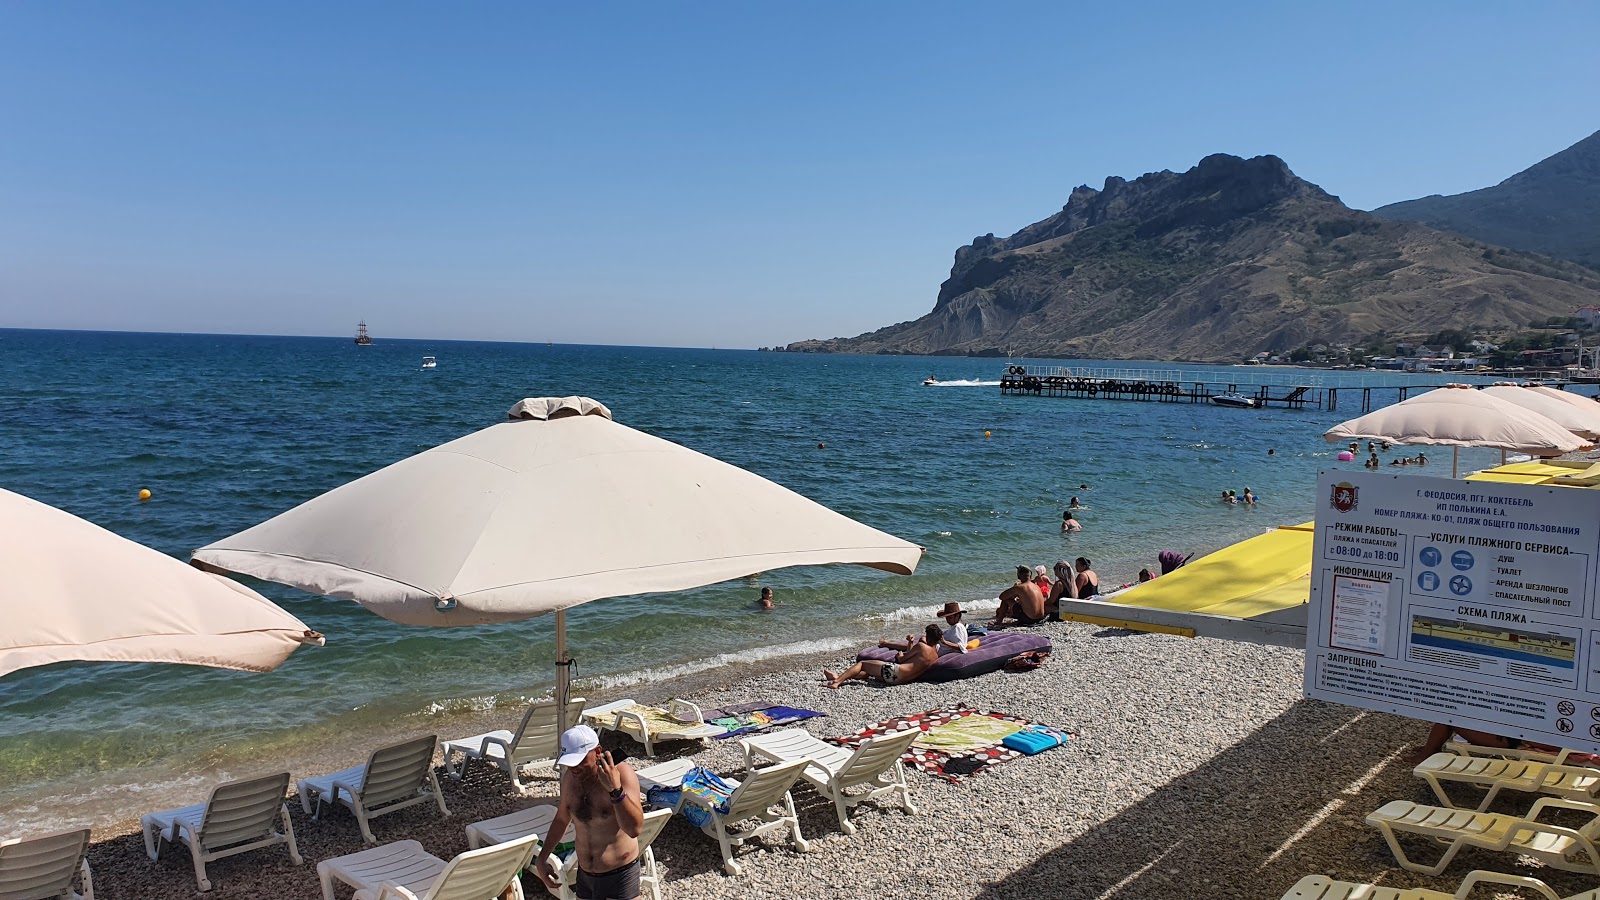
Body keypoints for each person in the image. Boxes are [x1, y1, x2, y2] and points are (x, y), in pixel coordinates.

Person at [535, 726, 644, 900]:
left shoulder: (622, 774)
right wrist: (542, 858)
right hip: (585, 876)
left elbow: (634, 829)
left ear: (598, 751)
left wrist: (615, 791)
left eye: (580, 760)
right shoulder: (571, 778)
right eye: (570, 762)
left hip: (619, 875)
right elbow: (562, 818)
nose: (574, 767)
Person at [823, 624, 941, 688]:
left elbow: (902, 659)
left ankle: (836, 682)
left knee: (862, 664)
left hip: (894, 672)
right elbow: (914, 661)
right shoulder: (935, 655)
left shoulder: (921, 646)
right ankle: (839, 676)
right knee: (870, 672)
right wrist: (910, 643)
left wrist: (900, 654)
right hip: (901, 681)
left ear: (928, 636)